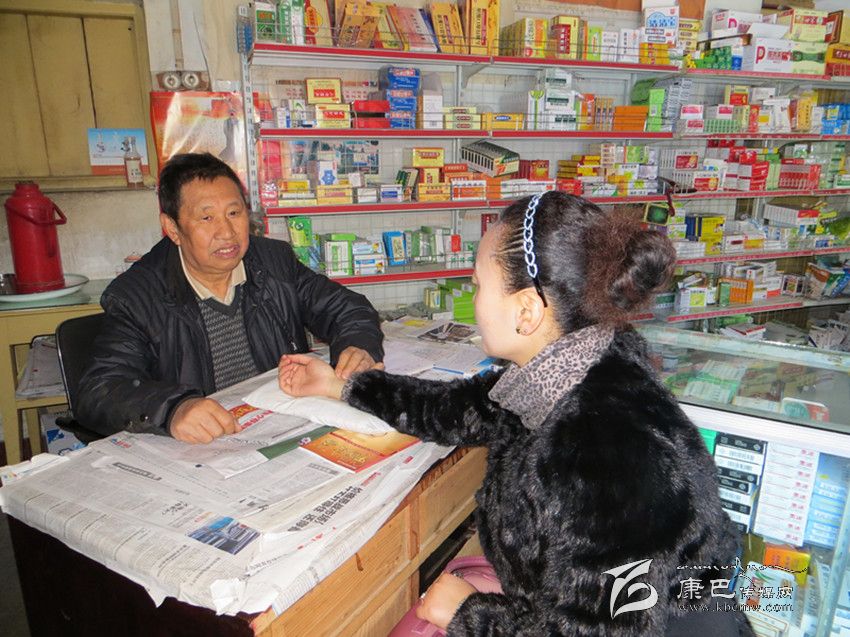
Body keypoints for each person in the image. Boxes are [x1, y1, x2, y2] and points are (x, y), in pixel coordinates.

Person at [278, 192, 755, 636]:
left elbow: (604, 630)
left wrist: (469, 615)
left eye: (477, 285)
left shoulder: (605, 455)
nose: (473, 299)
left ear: (527, 311)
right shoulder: (565, 368)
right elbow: (451, 410)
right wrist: (342, 386)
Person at [77, 152, 384, 444]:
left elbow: (346, 308)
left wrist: (357, 344)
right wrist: (172, 409)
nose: (226, 232)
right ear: (173, 228)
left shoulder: (273, 262)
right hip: (203, 446)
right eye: (206, 218)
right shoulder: (137, 295)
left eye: (234, 213)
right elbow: (100, 389)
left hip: (282, 424)